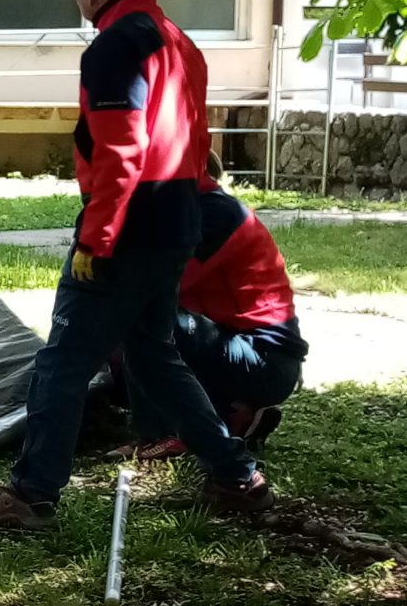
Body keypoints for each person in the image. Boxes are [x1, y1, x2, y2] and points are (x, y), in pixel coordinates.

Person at [0, 0, 272, 532]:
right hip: (177, 220)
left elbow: (123, 150)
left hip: (126, 228)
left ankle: (31, 494)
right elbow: (193, 142)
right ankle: (236, 475)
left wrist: (98, 238)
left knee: (63, 360)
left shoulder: (115, 47)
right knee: (154, 354)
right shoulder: (177, 38)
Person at [125, 182, 304, 455]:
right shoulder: (187, 209)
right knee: (128, 346)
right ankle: (233, 418)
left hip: (266, 360)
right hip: (245, 349)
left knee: (144, 321)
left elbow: (153, 285)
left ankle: (166, 433)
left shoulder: (215, 213)